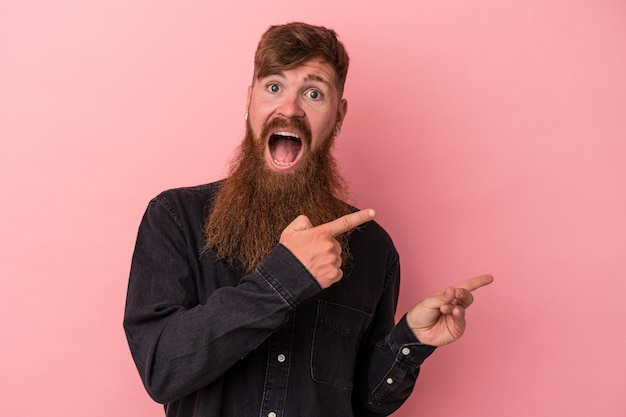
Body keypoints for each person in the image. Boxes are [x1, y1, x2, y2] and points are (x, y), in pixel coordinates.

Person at [123, 22, 493, 417]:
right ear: (249, 101)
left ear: (338, 116)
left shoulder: (374, 249)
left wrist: (411, 340)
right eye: (274, 87)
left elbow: (362, 403)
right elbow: (162, 370)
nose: (290, 108)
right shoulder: (175, 218)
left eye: (314, 93)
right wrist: (282, 281)